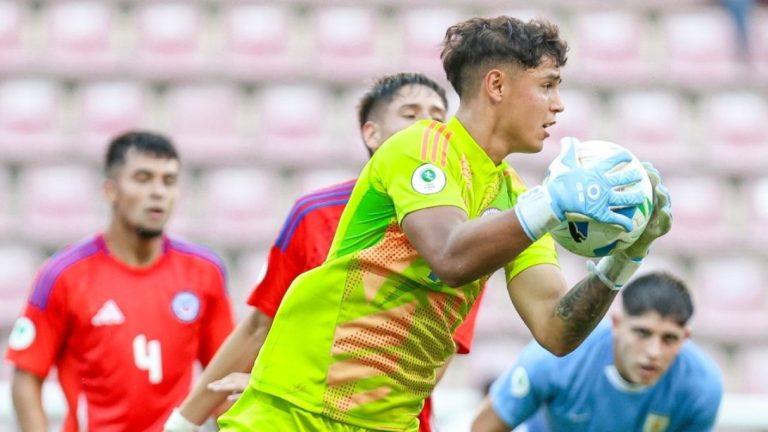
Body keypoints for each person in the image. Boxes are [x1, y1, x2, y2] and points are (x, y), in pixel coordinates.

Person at [218, 15, 672, 432]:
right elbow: (451, 255)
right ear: (496, 85)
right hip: (298, 410)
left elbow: (556, 330)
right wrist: (552, 204)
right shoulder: (420, 146)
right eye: (548, 85)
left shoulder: (518, 199)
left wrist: (624, 259)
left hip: (389, 422)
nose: (558, 106)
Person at [163, 72, 484, 432]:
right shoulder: (314, 215)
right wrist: (183, 421)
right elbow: (259, 326)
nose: (427, 127)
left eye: (438, 119)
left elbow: (436, 353)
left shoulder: (464, 231)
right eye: (410, 115)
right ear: (371, 133)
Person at [5, 131, 235, 431]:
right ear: (110, 189)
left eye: (168, 181)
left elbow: (223, 377)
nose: (158, 192)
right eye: (143, 178)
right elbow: (25, 378)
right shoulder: (64, 274)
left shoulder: (205, 271)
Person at [472, 271, 723, 432]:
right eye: (642, 333)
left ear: (685, 338)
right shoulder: (557, 357)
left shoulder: (702, 387)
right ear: (616, 324)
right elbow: (484, 427)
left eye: (669, 338)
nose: (654, 352)